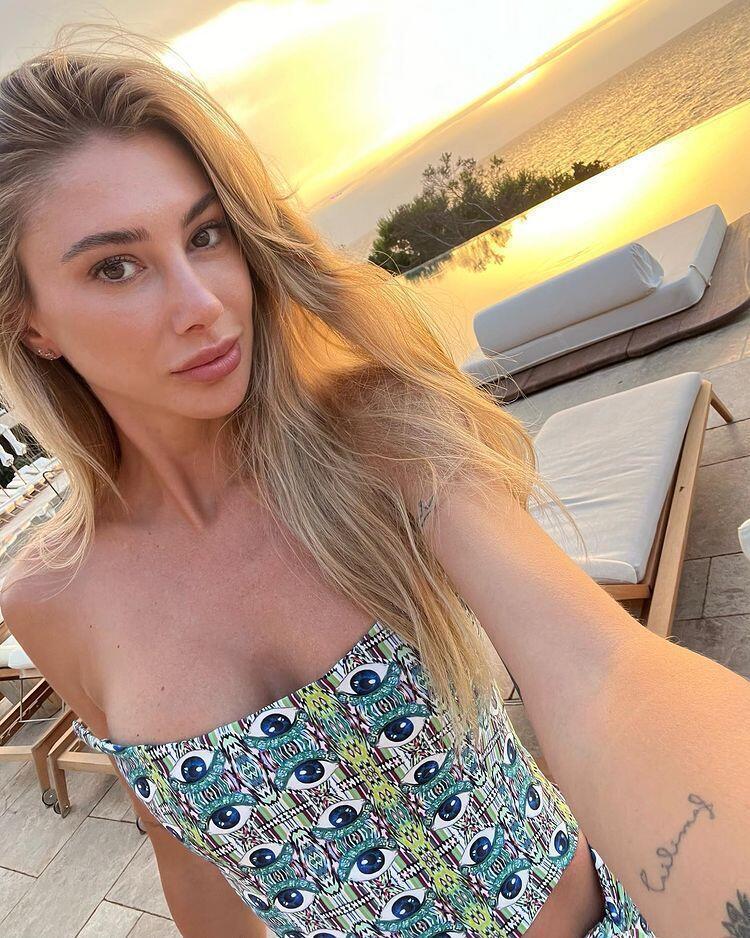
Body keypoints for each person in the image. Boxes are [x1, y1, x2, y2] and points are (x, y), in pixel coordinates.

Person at [0, 31, 747, 938]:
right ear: (32, 323)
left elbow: (601, 673)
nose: (201, 304)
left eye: (207, 234)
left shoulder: (374, 437)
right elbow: (188, 859)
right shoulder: (49, 600)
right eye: (115, 266)